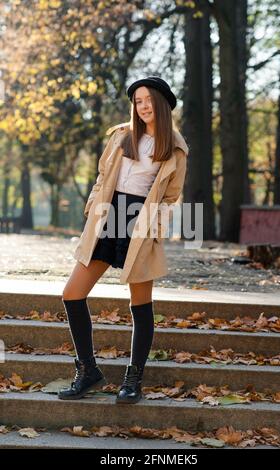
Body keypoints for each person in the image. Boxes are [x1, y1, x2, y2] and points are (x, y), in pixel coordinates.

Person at [58, 76, 189, 404]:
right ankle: (88, 371)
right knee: (72, 294)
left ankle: (133, 379)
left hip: (140, 222)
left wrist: (154, 232)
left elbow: (171, 197)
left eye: (148, 100)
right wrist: (92, 209)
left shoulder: (174, 148)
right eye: (138, 101)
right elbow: (103, 175)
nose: (143, 106)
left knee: (140, 304)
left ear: (162, 103)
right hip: (107, 215)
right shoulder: (122, 136)